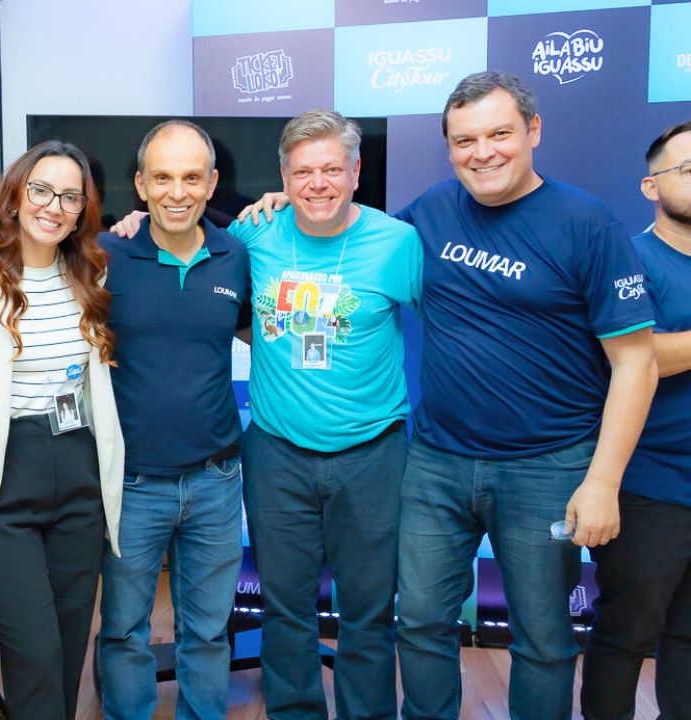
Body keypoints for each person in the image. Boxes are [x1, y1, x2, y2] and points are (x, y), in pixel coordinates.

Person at [241, 71, 657, 720]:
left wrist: (602, 481)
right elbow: (327, 243)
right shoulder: (427, 216)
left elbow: (636, 361)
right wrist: (291, 199)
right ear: (448, 145)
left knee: (545, 639)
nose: (482, 151)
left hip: (546, 467)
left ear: (534, 131)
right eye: (464, 139)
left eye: (499, 134)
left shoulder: (585, 223)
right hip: (436, 462)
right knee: (421, 625)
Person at [227, 109, 420, 720]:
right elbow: (217, 305)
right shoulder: (252, 234)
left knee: (368, 609)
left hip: (372, 453)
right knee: (285, 607)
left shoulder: (397, 243)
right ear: (283, 176)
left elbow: (457, 323)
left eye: (331, 169)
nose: (317, 184)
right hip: (277, 452)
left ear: (356, 172)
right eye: (302, 171)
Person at [0, 140, 124, 720]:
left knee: (64, 653)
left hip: (79, 481)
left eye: (70, 196)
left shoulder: (92, 272)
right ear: (15, 192)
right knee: (33, 653)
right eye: (41, 189)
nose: (53, 206)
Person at [94, 120, 251, 720]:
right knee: (125, 631)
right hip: (131, 485)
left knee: (208, 633)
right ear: (140, 183)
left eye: (191, 177)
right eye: (162, 177)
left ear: (212, 183)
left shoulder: (238, 254)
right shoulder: (105, 255)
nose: (176, 192)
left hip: (216, 480)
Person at [580, 119, 691, 720]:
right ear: (652, 187)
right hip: (649, 484)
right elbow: (638, 356)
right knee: (627, 633)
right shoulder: (630, 259)